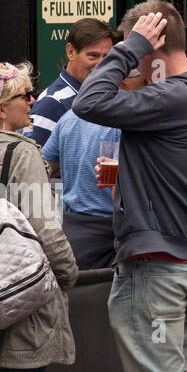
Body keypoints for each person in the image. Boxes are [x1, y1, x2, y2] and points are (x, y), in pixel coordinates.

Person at [73, 1, 187, 372]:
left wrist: (131, 47)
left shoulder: (171, 96)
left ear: (152, 47)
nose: (134, 67)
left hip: (158, 261)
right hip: (181, 257)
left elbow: (88, 101)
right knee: (175, 371)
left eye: (135, 52)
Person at [0, 60, 77, 372]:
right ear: (0, 109)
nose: (33, 101)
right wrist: (68, 276)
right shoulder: (22, 152)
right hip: (17, 308)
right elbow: (46, 232)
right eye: (25, 95)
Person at [42, 76, 121, 271]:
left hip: (72, 231)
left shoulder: (69, 117)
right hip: (111, 231)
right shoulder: (128, 116)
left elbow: (45, 167)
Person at [29, 18, 119, 147]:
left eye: (107, 57)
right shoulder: (51, 103)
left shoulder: (109, 96)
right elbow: (37, 164)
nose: (101, 64)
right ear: (70, 51)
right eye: (93, 56)